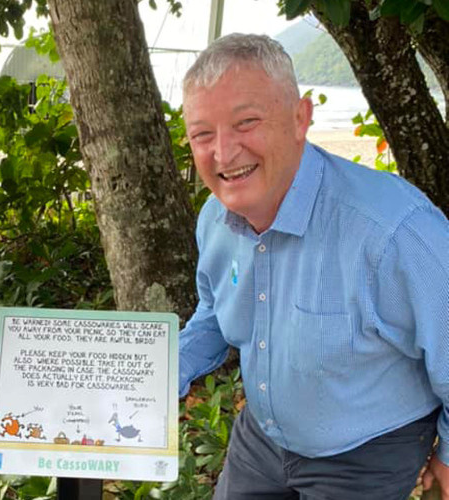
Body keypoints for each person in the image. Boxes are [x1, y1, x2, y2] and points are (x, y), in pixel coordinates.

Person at [178, 33, 449, 499]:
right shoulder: (215, 219)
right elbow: (214, 316)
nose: (223, 153)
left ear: (300, 118)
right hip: (264, 436)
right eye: (203, 134)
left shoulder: (394, 231)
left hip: (369, 448)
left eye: (246, 122)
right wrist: (153, 374)